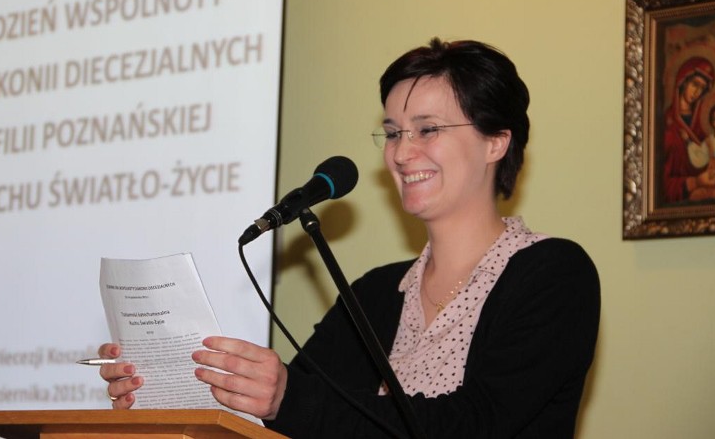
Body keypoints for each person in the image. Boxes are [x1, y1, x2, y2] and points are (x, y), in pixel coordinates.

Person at [98, 38, 601, 438]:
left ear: (496, 141)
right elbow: (287, 419)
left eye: (427, 129)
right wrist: (181, 389)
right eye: (393, 132)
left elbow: (474, 424)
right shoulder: (376, 293)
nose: (401, 153)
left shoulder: (554, 274)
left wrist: (288, 399)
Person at [662, 56, 715, 203]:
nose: (697, 92)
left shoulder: (702, 125)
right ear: (683, 81)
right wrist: (696, 182)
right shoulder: (667, 125)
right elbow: (661, 185)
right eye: (695, 84)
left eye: (702, 88)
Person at [688, 101, 715, 200]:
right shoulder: (708, 142)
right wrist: (688, 142)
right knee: (696, 195)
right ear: (711, 121)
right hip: (711, 180)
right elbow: (700, 160)